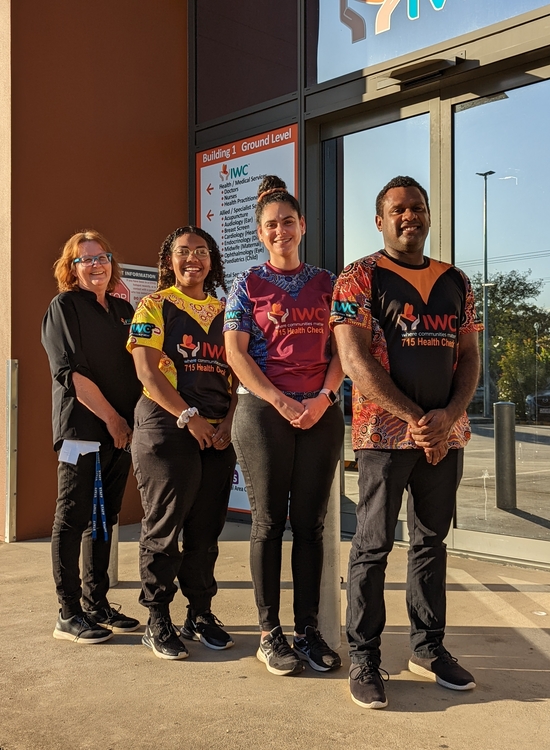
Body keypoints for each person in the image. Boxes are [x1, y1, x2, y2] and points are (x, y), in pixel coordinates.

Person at [331, 175, 482, 708]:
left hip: (447, 437)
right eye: (397, 210)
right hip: (383, 436)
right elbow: (355, 362)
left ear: (428, 216)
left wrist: (448, 417)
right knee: (372, 546)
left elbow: (469, 359)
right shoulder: (358, 277)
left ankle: (428, 647)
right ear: (380, 220)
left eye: (416, 208)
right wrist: (418, 418)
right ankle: (365, 657)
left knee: (430, 544)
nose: (408, 216)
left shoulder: (456, 281)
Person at [224, 175, 345, 676]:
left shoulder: (328, 283)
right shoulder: (246, 283)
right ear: (260, 232)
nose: (281, 231)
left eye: (288, 222)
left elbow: (343, 351)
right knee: (269, 522)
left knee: (312, 526)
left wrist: (323, 397)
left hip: (319, 413)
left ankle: (309, 630)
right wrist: (277, 399)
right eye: (271, 225)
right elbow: (235, 351)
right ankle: (270, 632)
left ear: (302, 226)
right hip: (262, 412)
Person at [128, 226, 237, 660]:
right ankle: (157, 618)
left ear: (212, 260)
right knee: (164, 526)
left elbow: (239, 374)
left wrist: (229, 420)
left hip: (216, 431)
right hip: (166, 425)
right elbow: (148, 373)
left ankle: (199, 612)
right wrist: (187, 417)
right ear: (168, 260)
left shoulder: (227, 310)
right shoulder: (153, 306)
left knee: (206, 529)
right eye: (183, 252)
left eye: (201, 251)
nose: (193, 258)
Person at [42, 230, 142, 644]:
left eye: (102, 257)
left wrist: (129, 424)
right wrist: (113, 420)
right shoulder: (64, 306)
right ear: (72, 268)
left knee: (104, 519)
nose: (96, 264)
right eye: (86, 259)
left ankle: (96, 603)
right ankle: (68, 613)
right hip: (83, 431)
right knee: (73, 516)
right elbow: (71, 374)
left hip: (120, 434)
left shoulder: (122, 309)